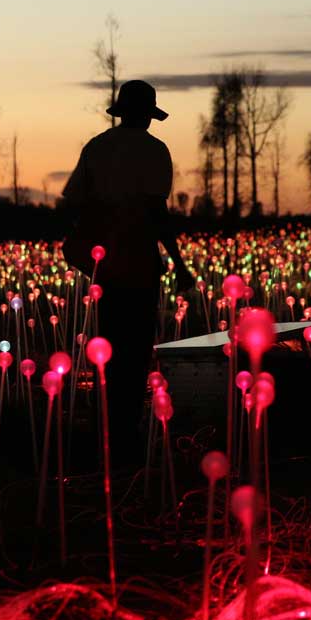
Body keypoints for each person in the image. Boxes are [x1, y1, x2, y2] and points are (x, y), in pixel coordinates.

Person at [59, 79, 196, 466]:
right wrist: (180, 264)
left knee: (110, 346)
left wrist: (91, 245)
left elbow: (74, 204)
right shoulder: (154, 152)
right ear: (147, 115)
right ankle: (125, 438)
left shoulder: (97, 147)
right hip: (138, 263)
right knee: (136, 350)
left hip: (107, 265)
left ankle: (106, 430)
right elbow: (157, 214)